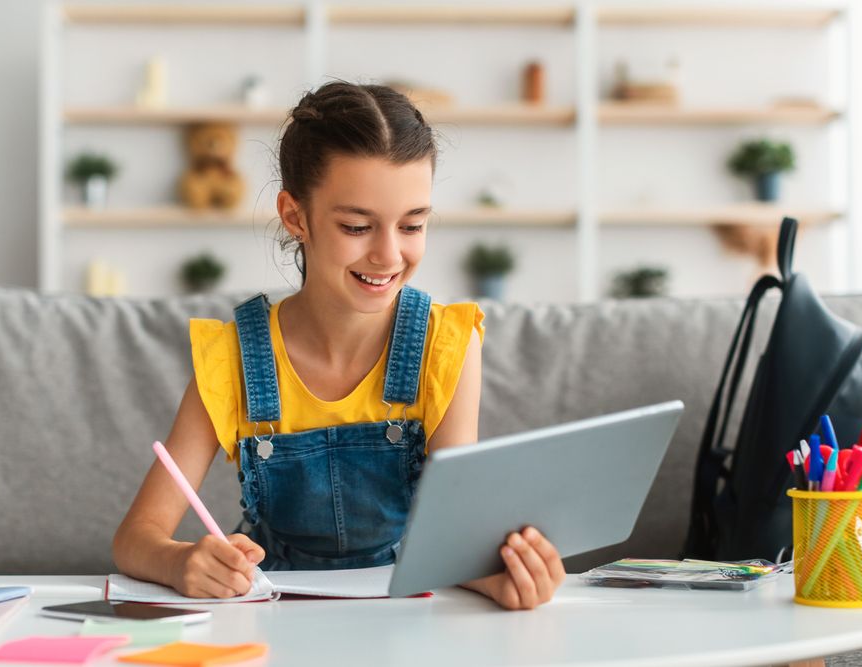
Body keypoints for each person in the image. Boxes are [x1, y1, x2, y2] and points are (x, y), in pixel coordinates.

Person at [113, 81, 565, 610]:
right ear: (295, 216)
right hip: (275, 616)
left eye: (413, 224)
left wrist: (502, 575)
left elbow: (450, 537)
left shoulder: (447, 344)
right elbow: (135, 539)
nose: (388, 254)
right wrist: (182, 562)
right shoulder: (234, 356)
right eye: (356, 226)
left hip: (404, 616)